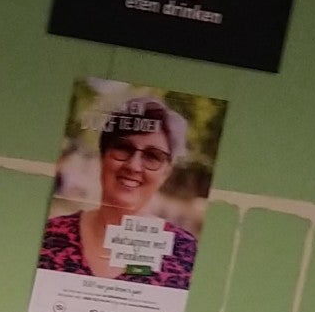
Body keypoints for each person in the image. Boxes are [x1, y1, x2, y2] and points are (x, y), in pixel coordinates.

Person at [37, 96, 197, 286]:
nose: (134, 166)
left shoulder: (186, 254)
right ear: (103, 155)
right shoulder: (50, 235)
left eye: (152, 156)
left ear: (166, 173)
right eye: (123, 148)